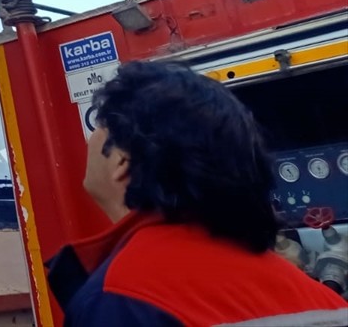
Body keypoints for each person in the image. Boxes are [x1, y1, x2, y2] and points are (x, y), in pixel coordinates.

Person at [47, 60, 348, 326]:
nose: (89, 141)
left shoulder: (122, 296)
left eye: (98, 127)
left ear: (122, 160)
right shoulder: (324, 301)